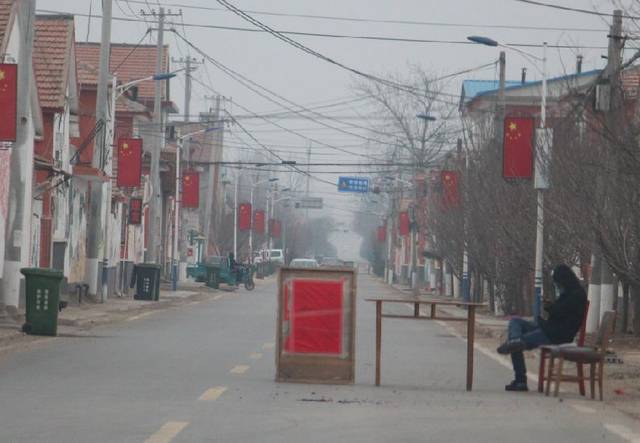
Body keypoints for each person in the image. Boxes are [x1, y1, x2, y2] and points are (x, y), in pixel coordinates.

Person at [496, 264, 587, 392]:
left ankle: (520, 380)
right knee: (516, 323)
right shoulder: (568, 293)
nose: (557, 286)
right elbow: (558, 311)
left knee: (517, 343)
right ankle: (515, 341)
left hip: (556, 335)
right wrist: (550, 306)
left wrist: (549, 307)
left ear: (564, 280)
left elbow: (560, 312)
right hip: (549, 329)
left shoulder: (576, 295)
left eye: (557, 283)